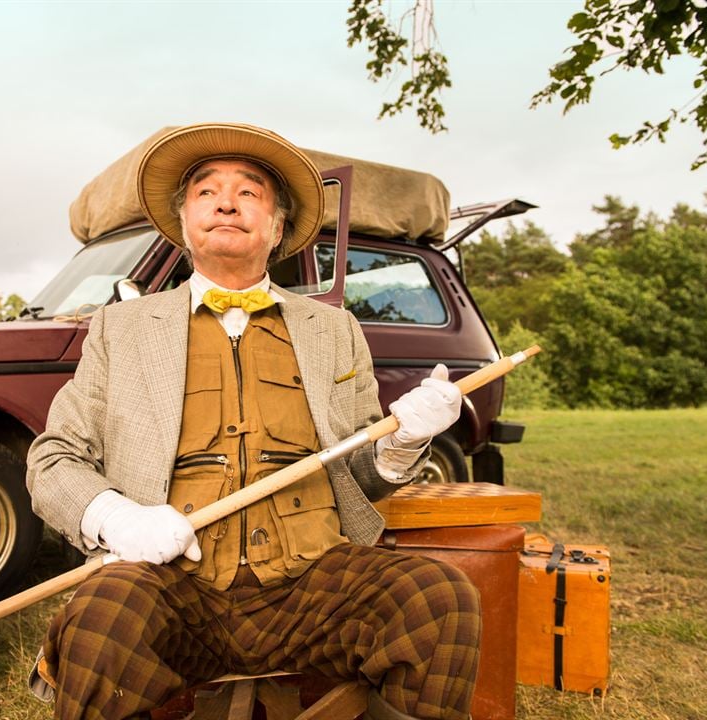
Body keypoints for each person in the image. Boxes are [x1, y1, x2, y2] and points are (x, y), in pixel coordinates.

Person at [27, 123, 481, 720]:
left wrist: (406, 440)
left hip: (316, 583)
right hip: (174, 587)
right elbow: (53, 457)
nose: (225, 202)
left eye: (249, 192)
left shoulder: (335, 330)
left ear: (279, 226)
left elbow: (360, 474)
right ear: (185, 220)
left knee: (441, 599)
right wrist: (116, 517)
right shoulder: (120, 330)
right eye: (205, 191)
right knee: (102, 614)